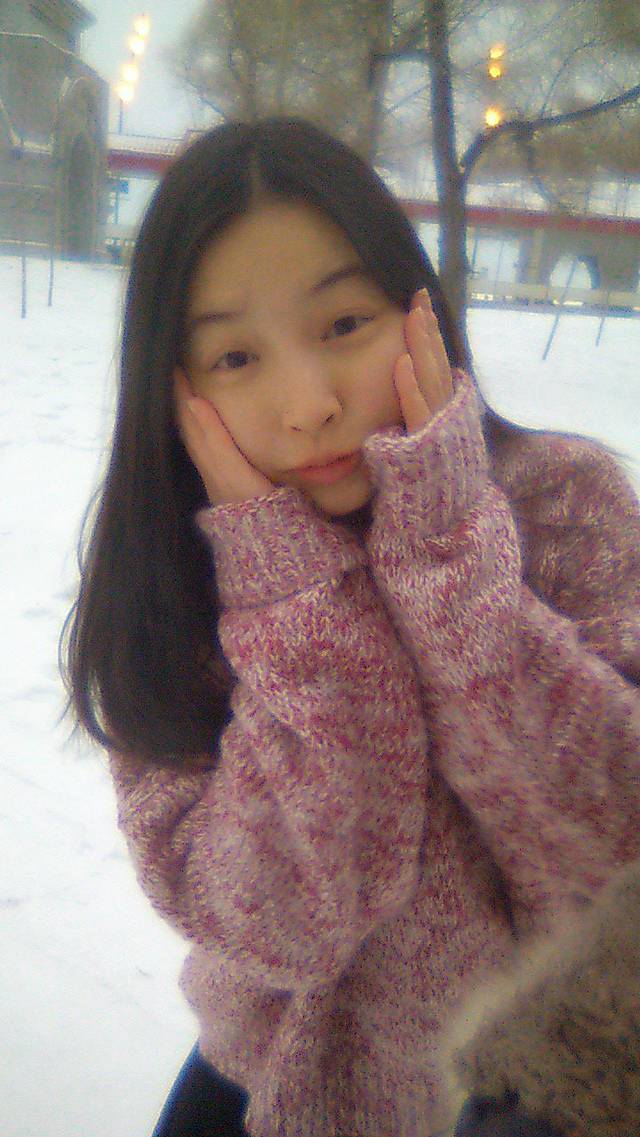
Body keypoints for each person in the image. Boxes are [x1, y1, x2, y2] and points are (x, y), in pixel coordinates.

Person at [62, 118, 640, 1137]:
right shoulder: (170, 596)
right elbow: (282, 927)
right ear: (173, 389)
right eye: (235, 355)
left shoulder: (563, 506)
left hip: (542, 1104)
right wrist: (296, 606)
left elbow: (613, 859)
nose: (309, 404)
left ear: (419, 310)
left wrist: (450, 555)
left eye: (342, 324)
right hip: (264, 1092)